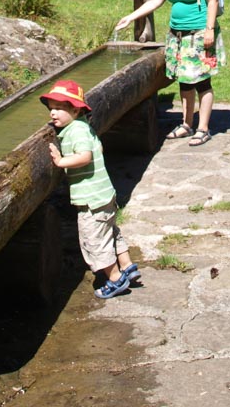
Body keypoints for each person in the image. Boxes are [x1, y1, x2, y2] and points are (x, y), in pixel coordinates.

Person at [115, 0, 225, 147]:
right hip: (178, 36)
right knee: (184, 80)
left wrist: (210, 30)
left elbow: (212, 0)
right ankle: (186, 124)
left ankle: (203, 128)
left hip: (199, 34)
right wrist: (131, 17)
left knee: (202, 80)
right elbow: (155, 1)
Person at [41, 79, 140, 299]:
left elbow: (85, 157)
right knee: (110, 232)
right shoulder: (84, 126)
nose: (53, 114)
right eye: (51, 108)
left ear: (75, 110)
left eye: (59, 108)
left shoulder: (75, 131)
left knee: (94, 241)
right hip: (104, 194)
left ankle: (116, 279)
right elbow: (98, 148)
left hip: (91, 200)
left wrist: (60, 161)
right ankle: (127, 266)